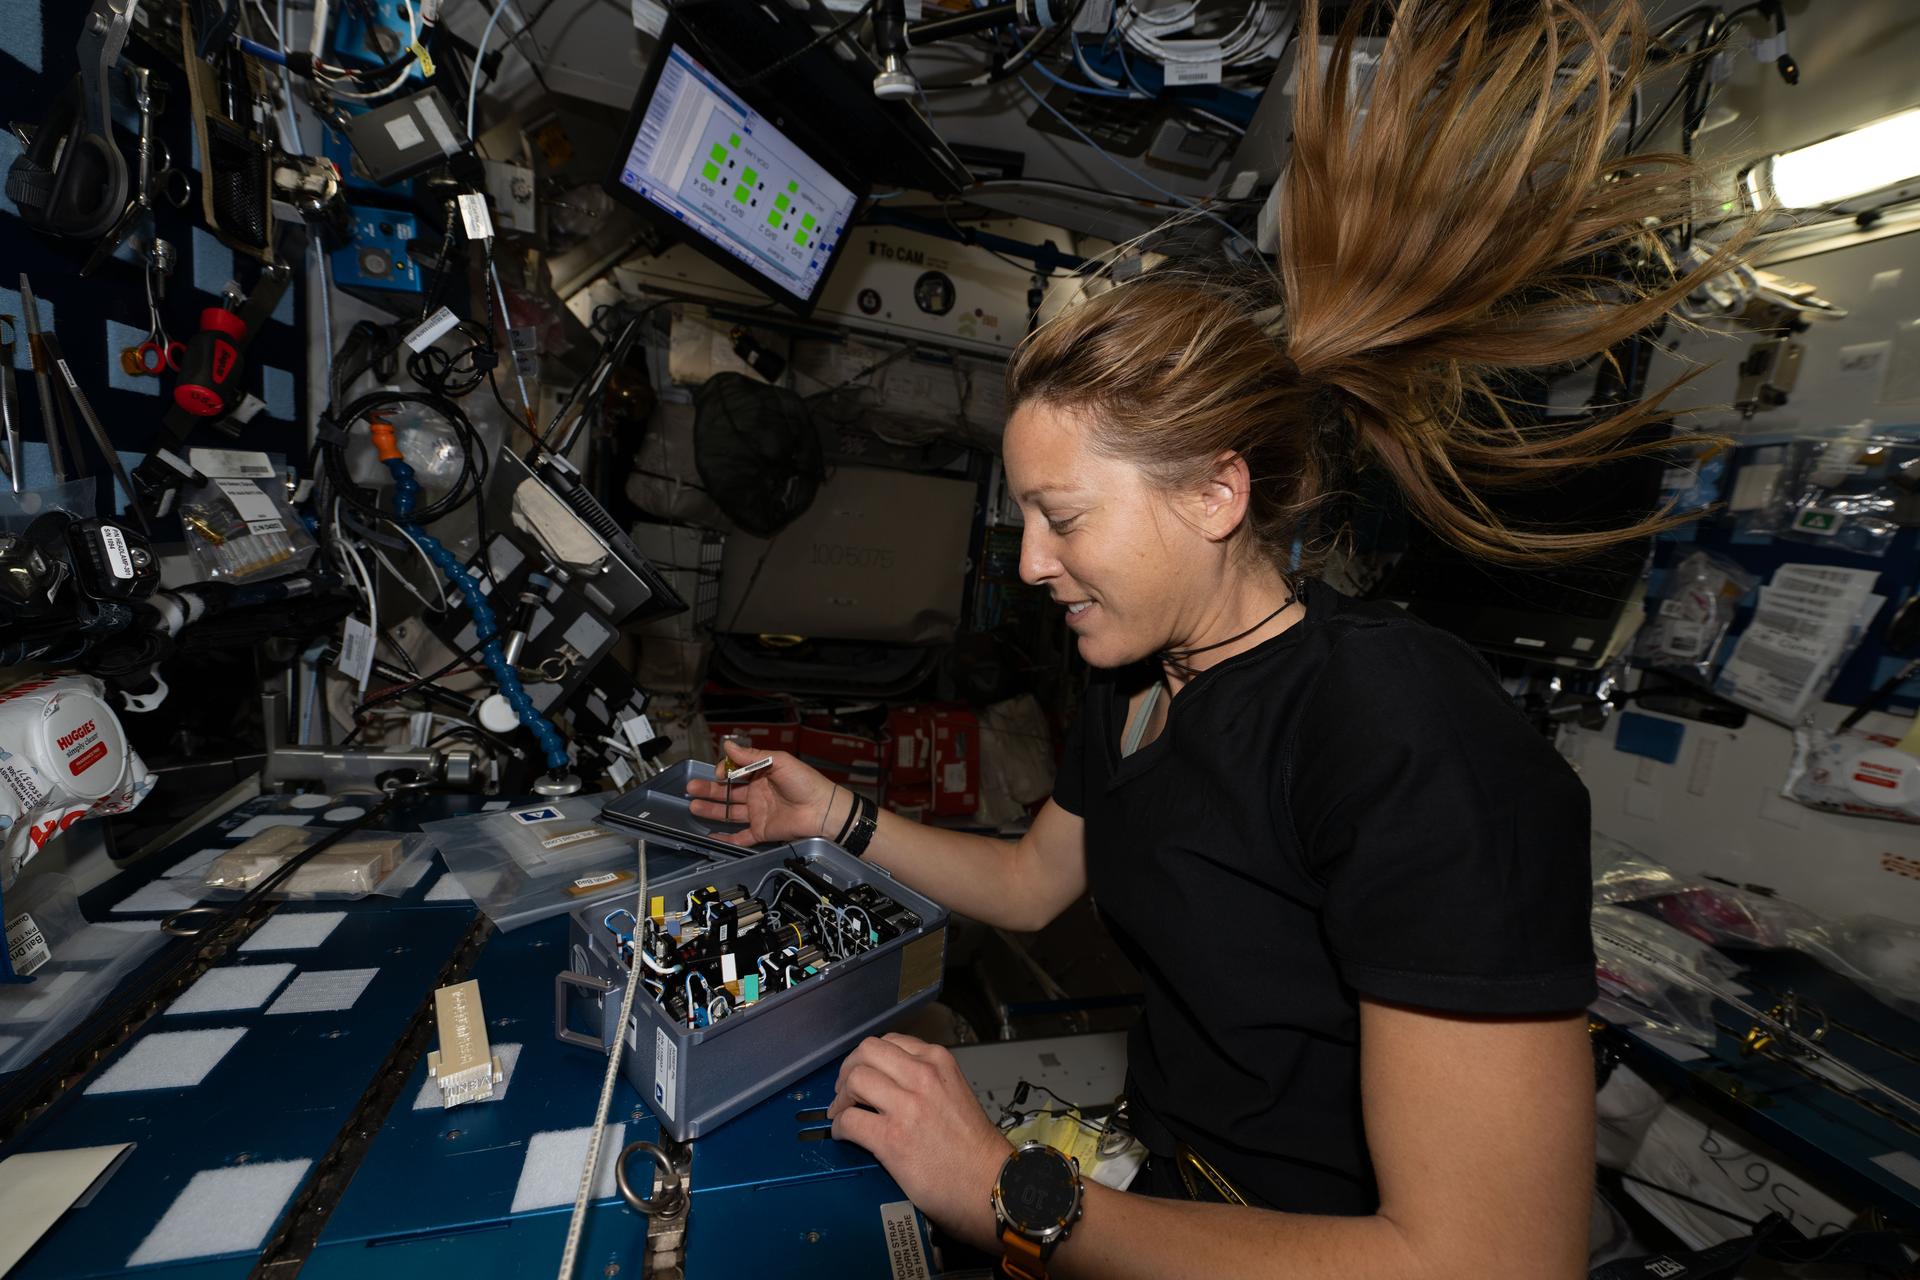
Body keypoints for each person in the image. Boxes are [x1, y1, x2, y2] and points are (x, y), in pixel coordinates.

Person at [686, 0, 1732, 1273]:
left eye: (1063, 517)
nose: (1027, 562)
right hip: (1175, 1193)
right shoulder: (1131, 679)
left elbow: (1491, 1258)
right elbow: (1032, 883)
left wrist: (1012, 1195)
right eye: (1023, 520)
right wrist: (832, 817)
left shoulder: (1401, 732)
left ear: (1216, 494)